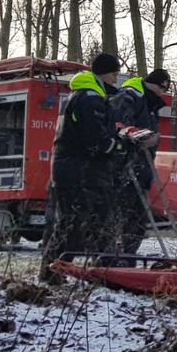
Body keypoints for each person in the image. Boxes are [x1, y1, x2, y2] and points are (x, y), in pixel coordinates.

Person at [40, 54, 138, 282]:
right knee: (71, 223)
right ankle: (53, 271)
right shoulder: (90, 99)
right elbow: (94, 139)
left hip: (77, 169)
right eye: (114, 72)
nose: (117, 77)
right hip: (77, 171)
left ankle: (77, 269)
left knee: (89, 221)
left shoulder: (87, 95)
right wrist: (120, 144)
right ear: (103, 72)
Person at [107, 69, 171, 255]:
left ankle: (128, 256)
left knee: (137, 219)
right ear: (151, 83)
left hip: (142, 169)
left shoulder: (150, 105)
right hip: (125, 168)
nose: (162, 92)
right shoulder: (129, 97)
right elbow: (120, 127)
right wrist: (140, 139)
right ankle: (113, 257)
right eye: (161, 87)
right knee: (121, 216)